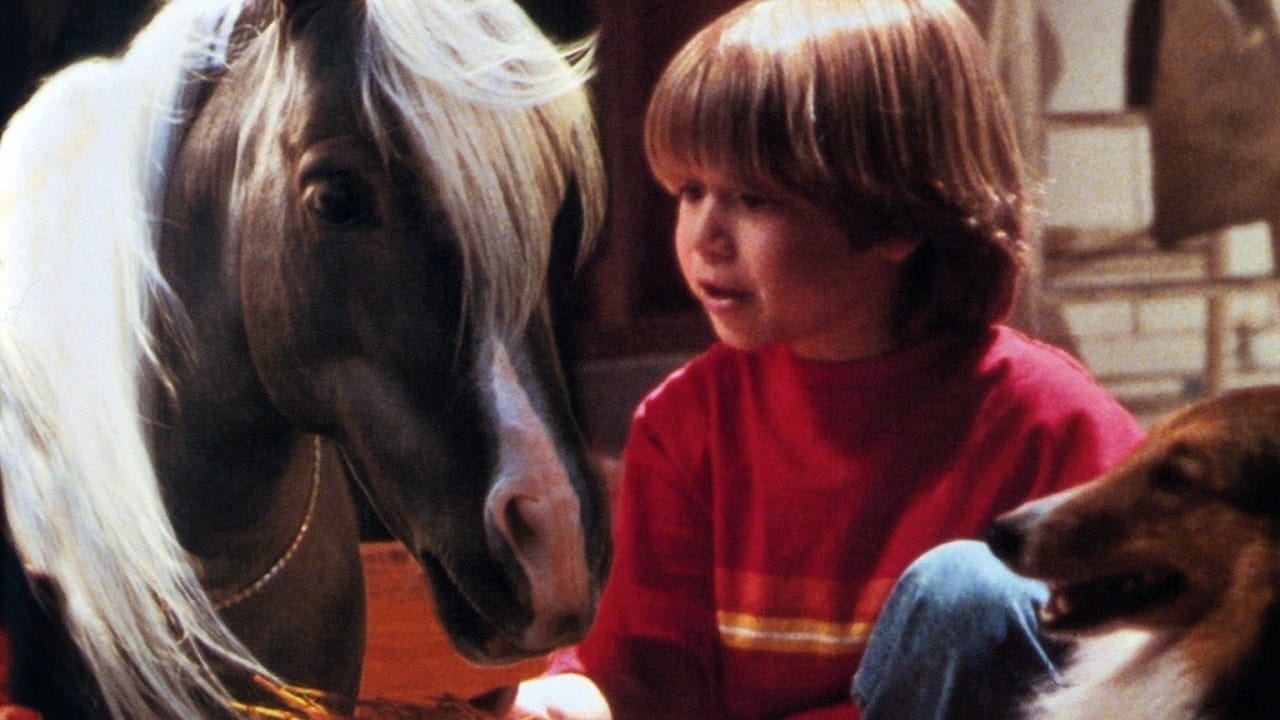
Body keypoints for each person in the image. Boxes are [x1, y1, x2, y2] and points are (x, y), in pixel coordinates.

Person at [505, 0, 1146, 717]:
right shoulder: (688, 423)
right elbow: (645, 677)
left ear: (898, 216)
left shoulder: (1048, 422)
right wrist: (570, 699)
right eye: (691, 192)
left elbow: (1165, 651)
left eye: (753, 198)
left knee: (966, 592)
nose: (705, 235)